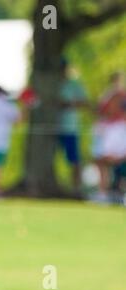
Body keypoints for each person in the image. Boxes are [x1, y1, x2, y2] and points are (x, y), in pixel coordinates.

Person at [91, 72, 126, 202]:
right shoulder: (109, 95)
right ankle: (103, 193)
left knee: (119, 160)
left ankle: (113, 192)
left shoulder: (119, 95)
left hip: (118, 130)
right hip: (108, 130)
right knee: (103, 161)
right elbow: (102, 111)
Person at [57, 57, 89, 195]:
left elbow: (85, 103)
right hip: (52, 128)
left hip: (69, 127)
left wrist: (68, 104)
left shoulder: (75, 85)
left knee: (74, 159)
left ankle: (76, 189)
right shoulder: (52, 84)